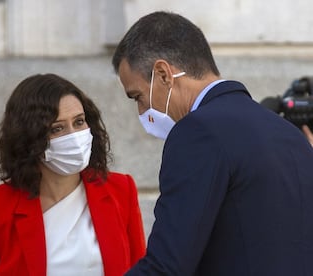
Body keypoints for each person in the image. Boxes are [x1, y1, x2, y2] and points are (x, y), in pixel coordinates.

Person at [112, 11, 313, 276]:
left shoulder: (197, 132)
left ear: (163, 74)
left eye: (137, 96)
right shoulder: (289, 133)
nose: (141, 110)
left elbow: (166, 266)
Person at [0, 73, 146, 276]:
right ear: (30, 139)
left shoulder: (120, 190)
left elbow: (141, 270)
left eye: (79, 121)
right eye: (57, 128)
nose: (73, 135)